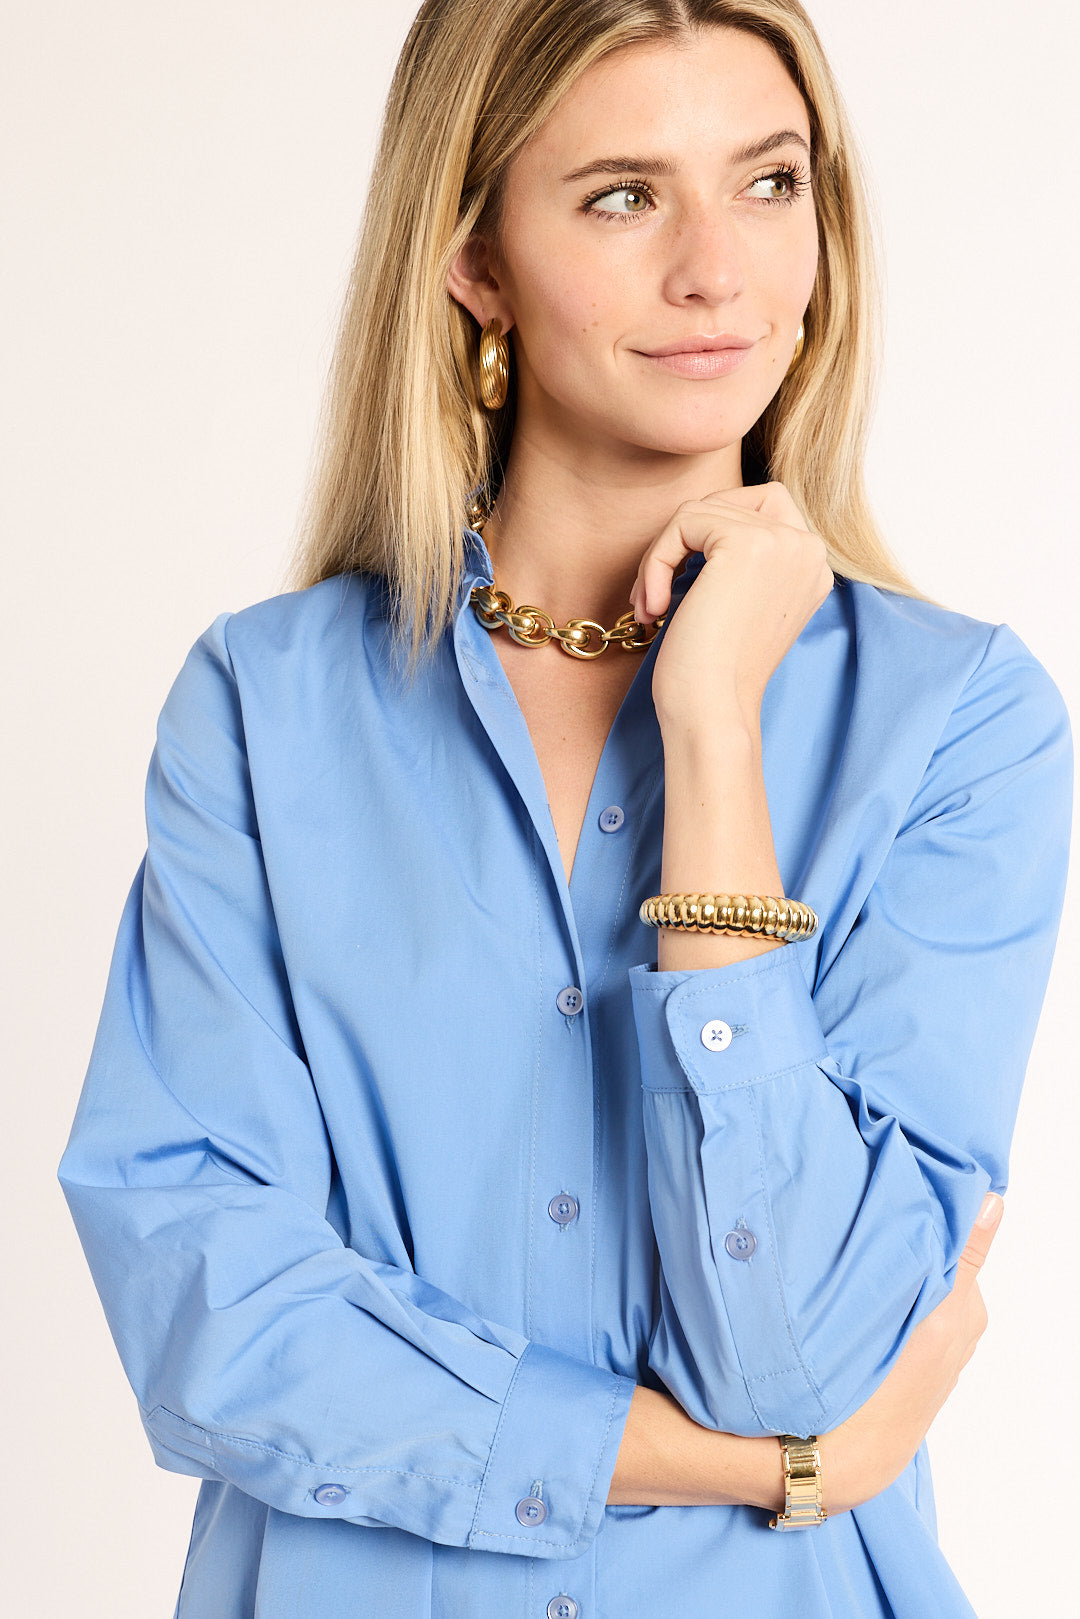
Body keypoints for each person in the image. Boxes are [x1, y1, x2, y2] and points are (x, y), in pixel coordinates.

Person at [57, 2, 1071, 1616]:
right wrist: (751, 1472)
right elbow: (210, 1313)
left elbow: (799, 1341)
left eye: (769, 182)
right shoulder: (265, 710)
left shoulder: (960, 727)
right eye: (620, 195)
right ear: (472, 257)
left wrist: (715, 733)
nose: (717, 273)